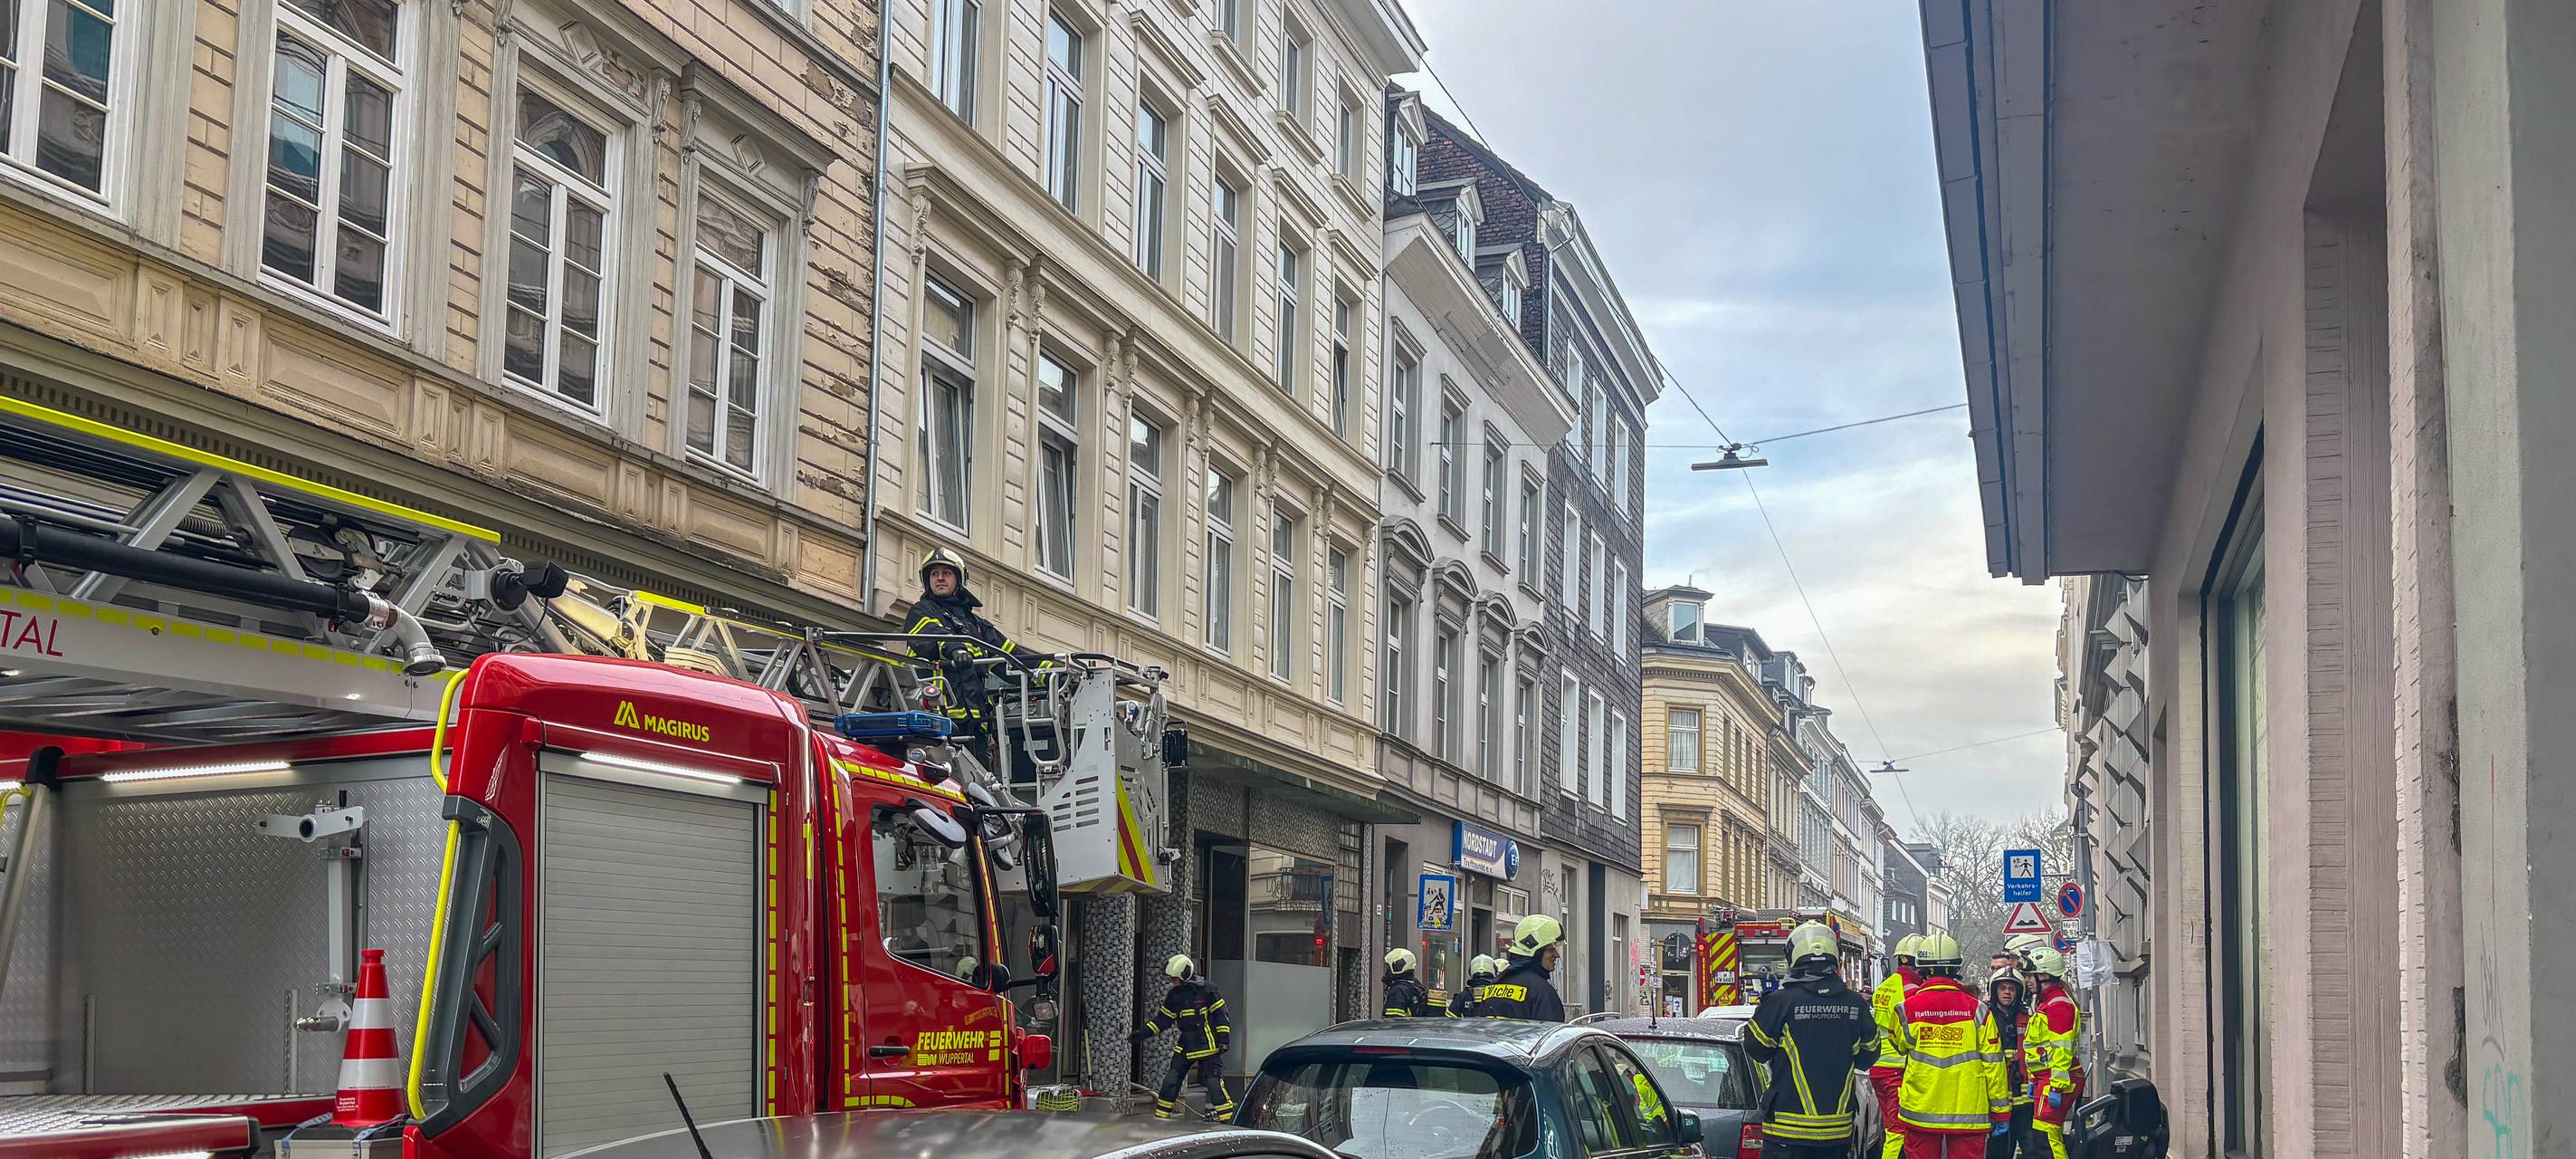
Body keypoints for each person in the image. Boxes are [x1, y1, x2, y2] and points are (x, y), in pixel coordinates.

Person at [1741, 922, 1882, 1157]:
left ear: (1793, 957)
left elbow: (1756, 1048)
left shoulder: (1780, 1003)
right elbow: (1869, 1054)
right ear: (1835, 957)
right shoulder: (1855, 1004)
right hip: (1836, 1133)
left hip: (1786, 1132)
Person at [905, 549, 1045, 742]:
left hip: (977, 724)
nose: (940, 578)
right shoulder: (920, 611)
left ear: (959, 579)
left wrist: (1052, 674)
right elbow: (931, 635)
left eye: (947, 573)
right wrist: (955, 650)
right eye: (934, 574)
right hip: (937, 722)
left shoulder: (977, 625)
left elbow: (1013, 658)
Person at [1890, 934, 2008, 1159]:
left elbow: (1899, 1045)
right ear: (1956, 968)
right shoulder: (1979, 1011)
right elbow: (1994, 1065)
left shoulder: (1906, 1009)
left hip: (1920, 1110)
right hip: (1968, 1112)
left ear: (1921, 968)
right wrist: (2001, 1111)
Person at [1131, 954, 1234, 1120]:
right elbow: (1163, 1020)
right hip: (1186, 1046)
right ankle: (1161, 1119)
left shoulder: (1208, 991)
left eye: (1174, 978)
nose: (1172, 981)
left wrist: (1224, 1040)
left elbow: (1221, 1016)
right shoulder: (1175, 995)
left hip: (1208, 1046)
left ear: (1185, 974)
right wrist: (1142, 1033)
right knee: (1170, 1082)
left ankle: (1228, 1121)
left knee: (1214, 1084)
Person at [2017, 946, 2085, 1159]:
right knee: (2043, 1137)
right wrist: (2033, 1079)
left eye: (2030, 975)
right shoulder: (2048, 1003)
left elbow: (2061, 1049)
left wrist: (2057, 1086)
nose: (2027, 980)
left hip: (2056, 1079)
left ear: (2044, 975)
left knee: (2046, 1137)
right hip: (2047, 1078)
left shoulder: (2058, 1005)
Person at [1869, 934, 1925, 1159]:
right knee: (1897, 1131)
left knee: (1890, 1127)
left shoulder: (1884, 987)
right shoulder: (1912, 991)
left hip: (1879, 1068)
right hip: (1897, 1070)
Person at [1477, 915, 1568, 1021]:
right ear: (1535, 950)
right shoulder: (1541, 991)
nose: (1557, 955)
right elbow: (1552, 1030)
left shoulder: (1493, 986)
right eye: (1551, 950)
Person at [1983, 969, 2034, 1159]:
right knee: (1997, 1151)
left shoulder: (2028, 1018)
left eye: (2011, 989)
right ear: (1994, 991)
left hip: (2025, 1099)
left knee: (2032, 1148)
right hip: (1996, 1098)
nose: (2007, 992)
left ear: (2018, 992)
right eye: (2002, 988)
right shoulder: (1985, 1017)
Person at [1381, 948, 1445, 1017]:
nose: (1387, 971)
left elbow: (1393, 1020)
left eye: (1388, 968)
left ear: (1398, 966)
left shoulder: (1398, 991)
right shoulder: (1416, 985)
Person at [1447, 954, 1501, 1018]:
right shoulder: (1499, 994)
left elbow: (1450, 1019)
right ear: (1494, 970)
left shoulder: (1463, 996)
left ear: (1471, 971)